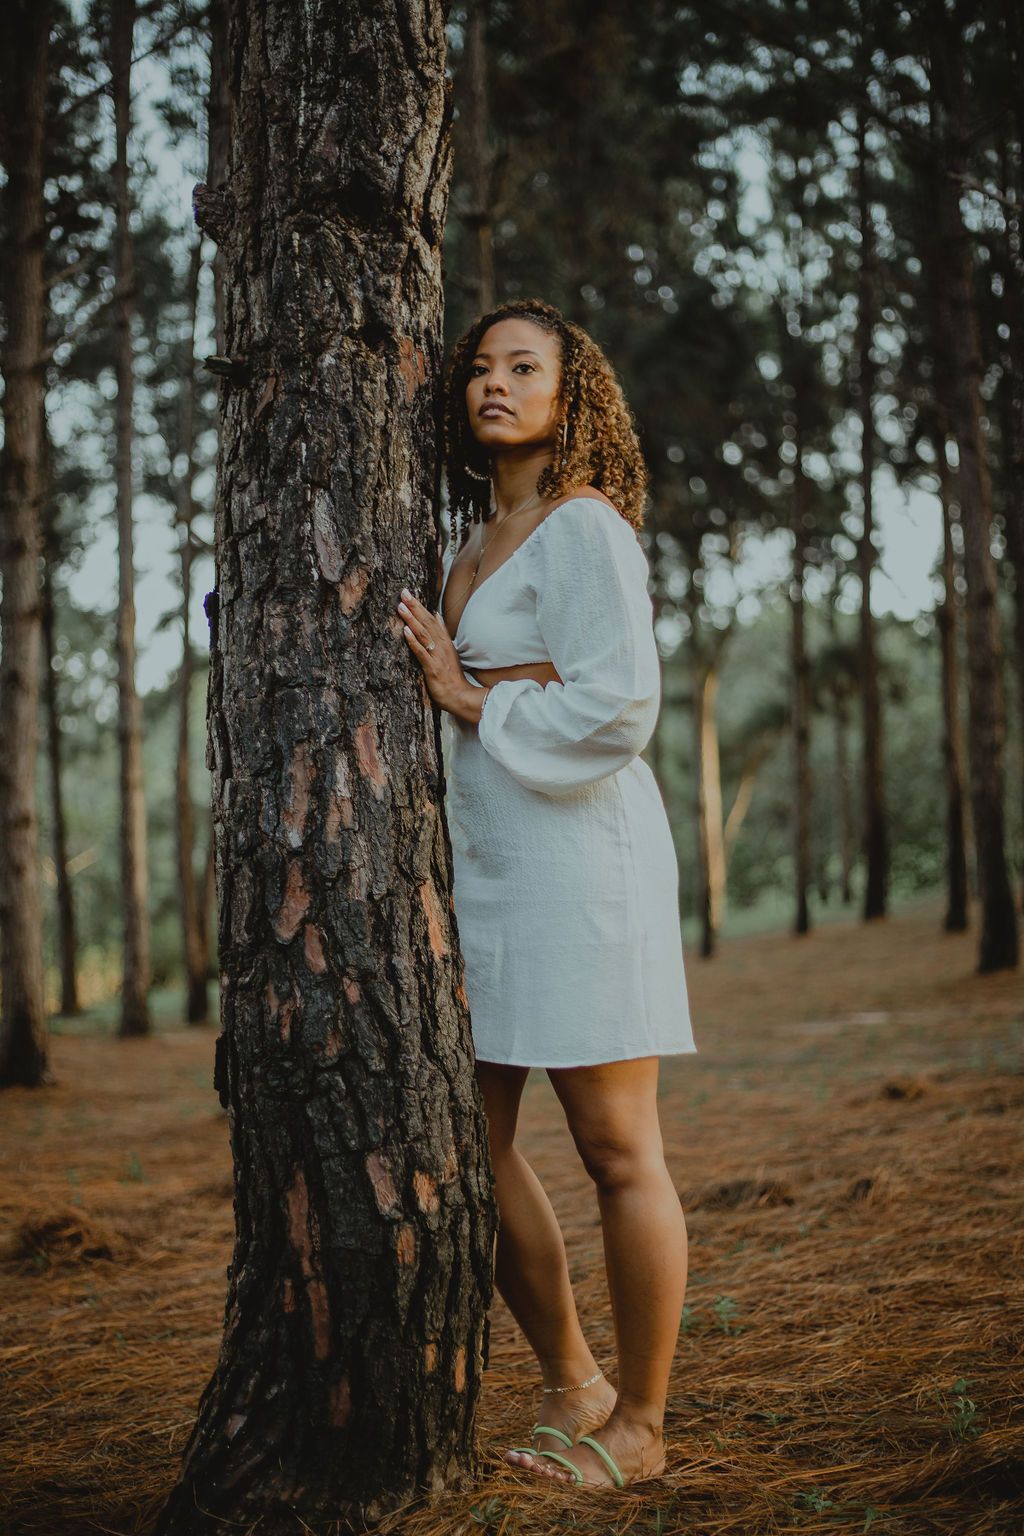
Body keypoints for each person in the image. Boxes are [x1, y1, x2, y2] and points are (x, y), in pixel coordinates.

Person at [395, 298, 697, 1490]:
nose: (494, 385)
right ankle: (576, 1382)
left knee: (617, 1146)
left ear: (574, 398)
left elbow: (622, 705)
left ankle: (644, 1426)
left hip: (582, 859)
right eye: (480, 369)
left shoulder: (582, 528)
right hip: (490, 866)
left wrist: (474, 699)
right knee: (465, 1139)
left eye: (525, 368)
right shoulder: (470, 538)